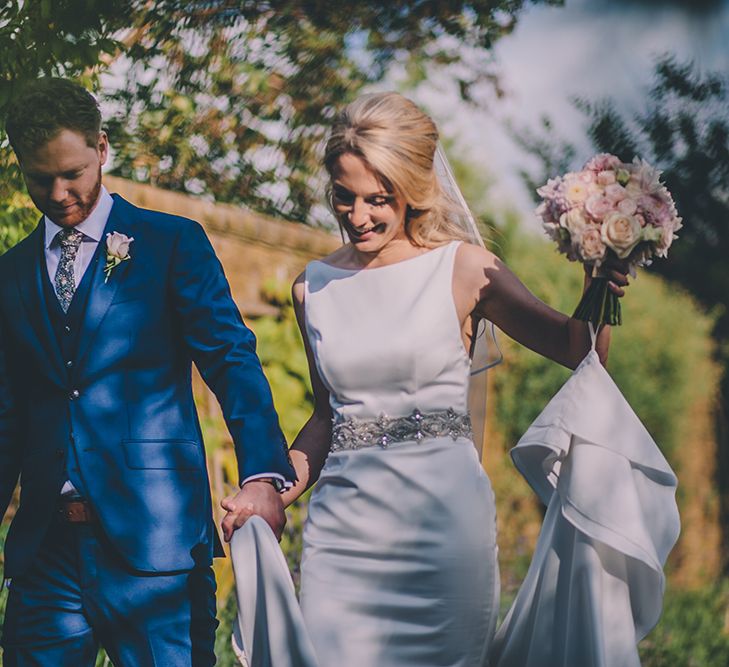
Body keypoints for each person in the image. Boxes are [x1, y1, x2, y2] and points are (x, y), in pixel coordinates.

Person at [279, 91, 629, 666]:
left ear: (413, 191)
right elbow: (326, 416)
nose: (358, 216)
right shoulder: (310, 287)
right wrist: (272, 489)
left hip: (442, 529)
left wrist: (598, 277)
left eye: (378, 199)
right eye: (344, 197)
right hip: (342, 535)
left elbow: (576, 349)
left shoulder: (465, 268)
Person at [0, 77, 296, 666]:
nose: (58, 193)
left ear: (102, 148)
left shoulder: (171, 243)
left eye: (73, 173)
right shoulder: (9, 274)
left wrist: (263, 475)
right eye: (39, 179)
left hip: (155, 547)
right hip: (45, 554)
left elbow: (230, 359)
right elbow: (8, 413)